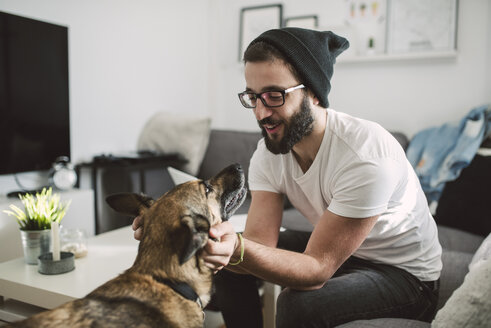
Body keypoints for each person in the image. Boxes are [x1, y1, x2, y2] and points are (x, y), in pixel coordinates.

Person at [134, 28, 442, 328]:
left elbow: (317, 269)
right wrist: (189, 229)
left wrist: (235, 248)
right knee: (230, 268)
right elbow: (258, 243)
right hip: (348, 254)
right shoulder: (269, 153)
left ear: (314, 94)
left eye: (273, 96)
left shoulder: (365, 154)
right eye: (252, 97)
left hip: (404, 275)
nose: (260, 113)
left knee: (298, 305)